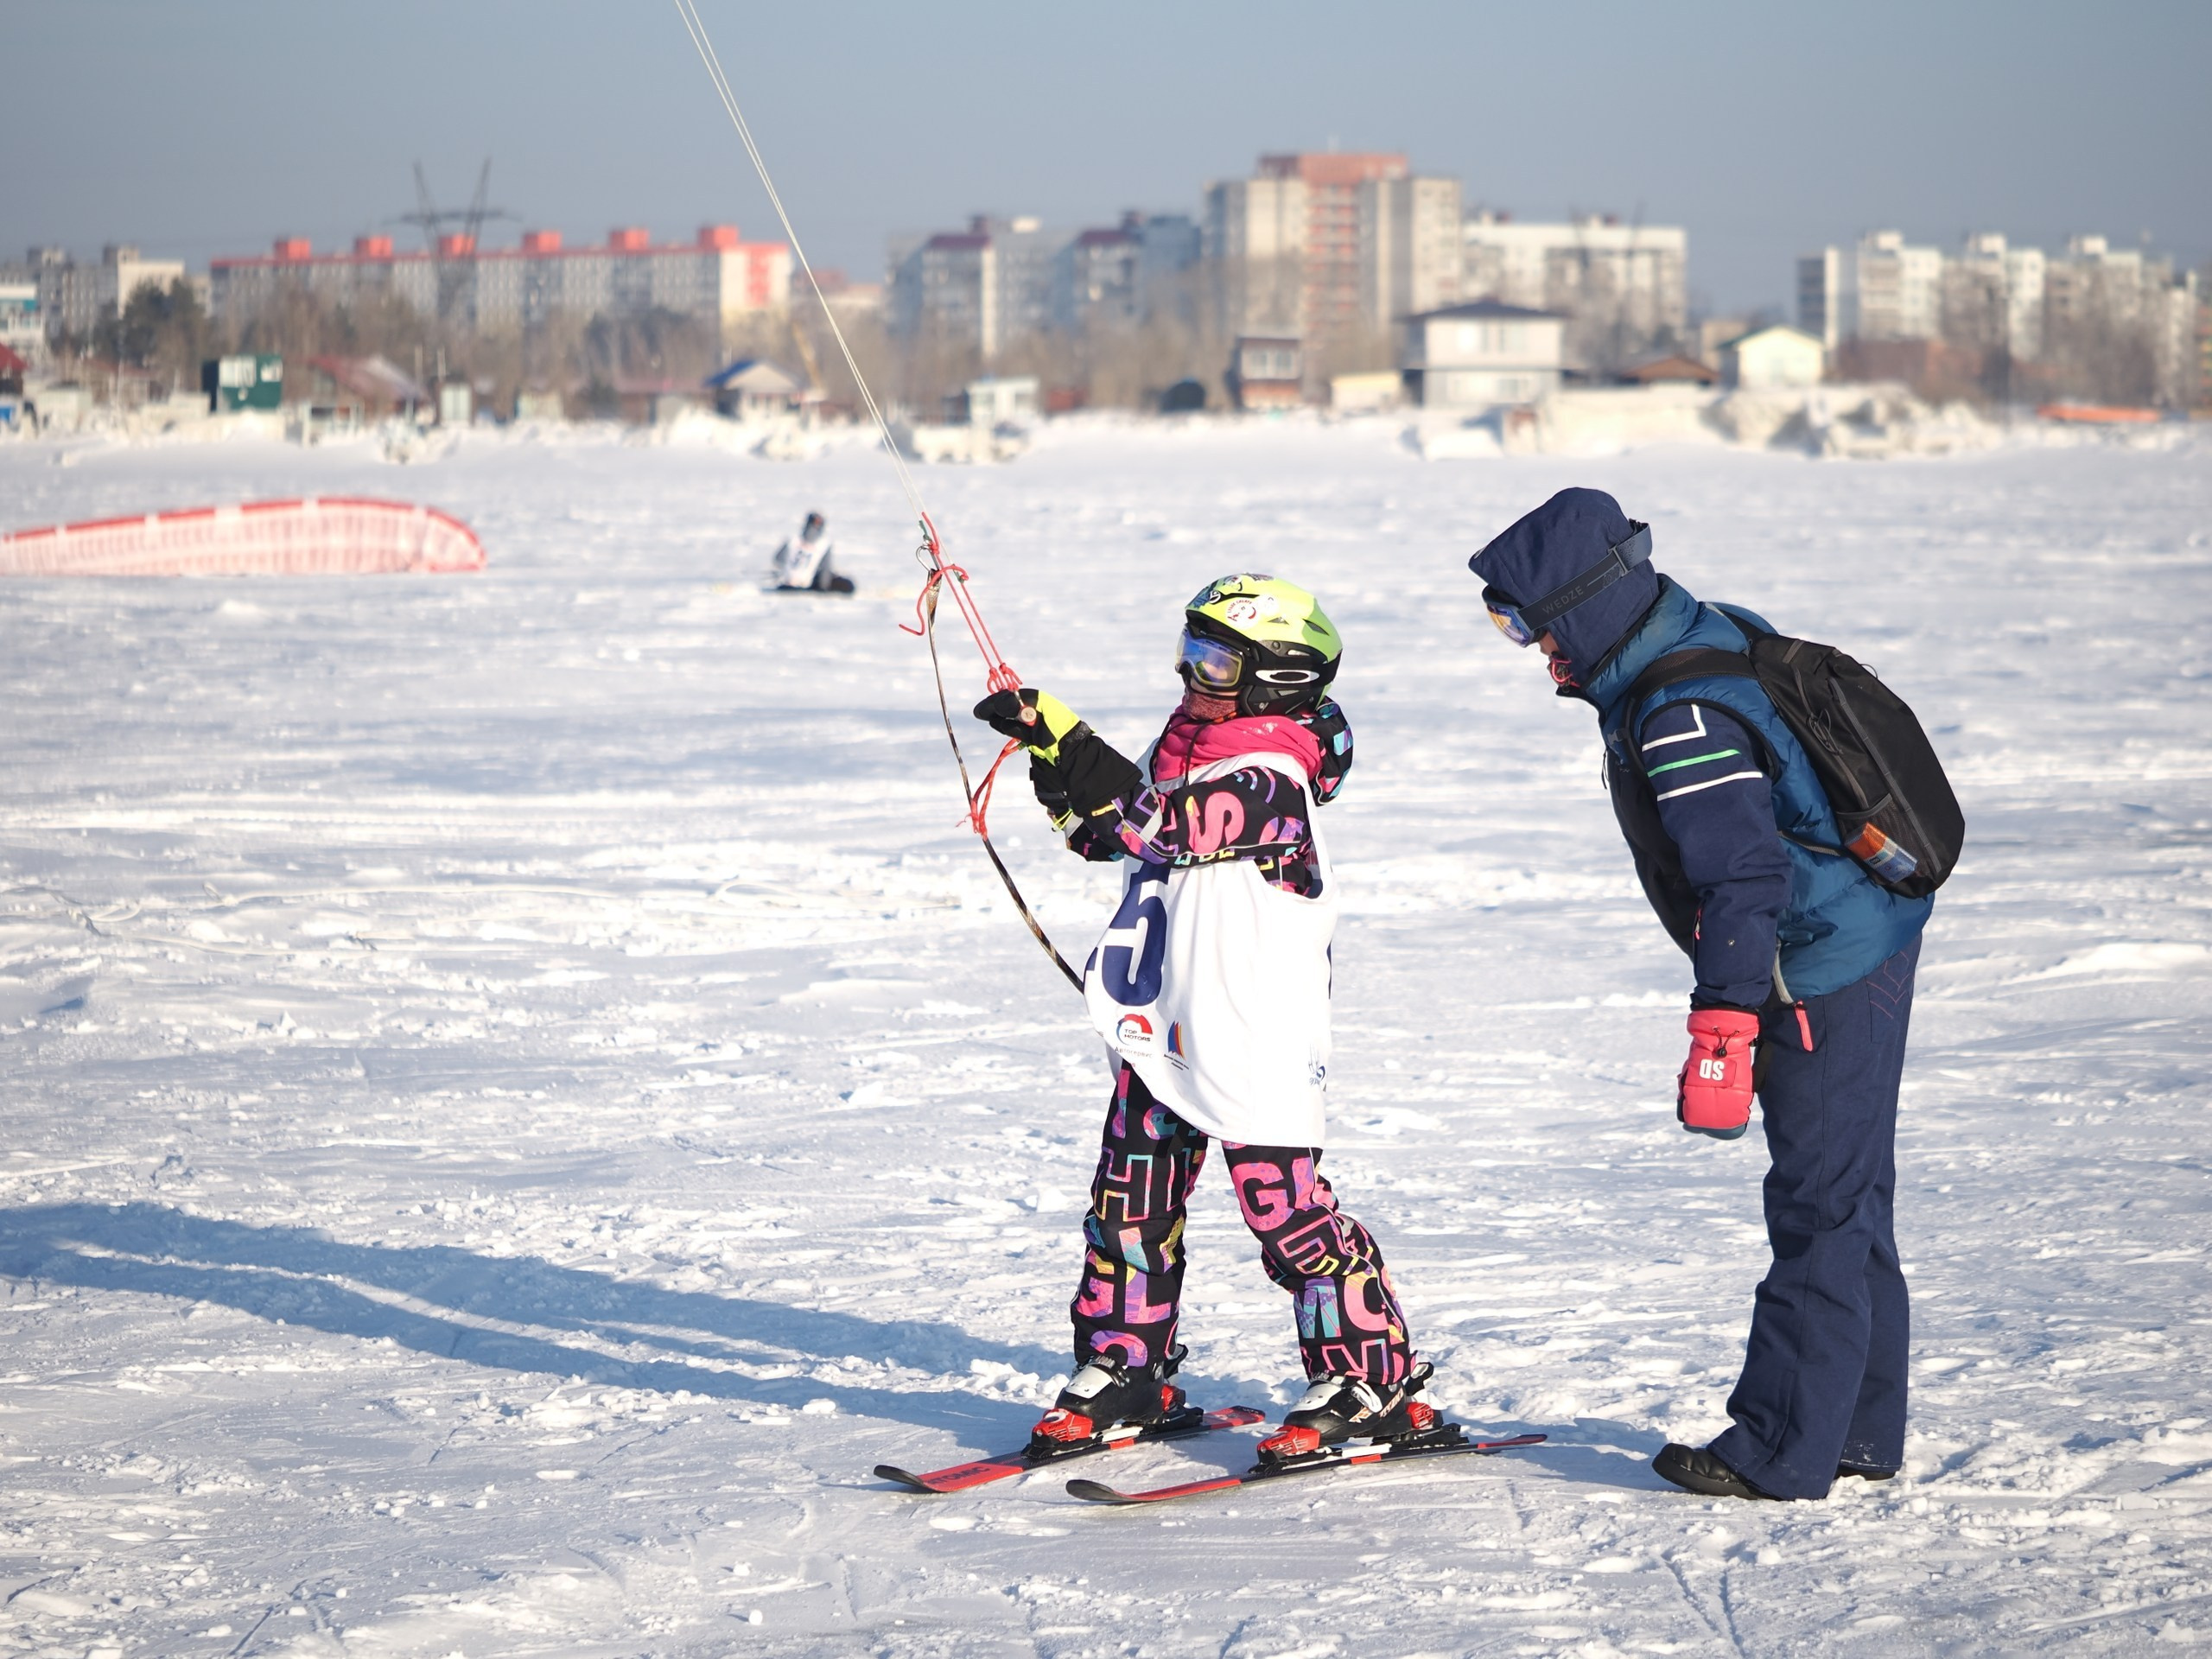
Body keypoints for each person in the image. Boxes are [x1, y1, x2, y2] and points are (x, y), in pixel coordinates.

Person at [1466, 487, 1932, 1503]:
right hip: (1861, 934)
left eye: (1532, 624)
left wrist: (1723, 1022)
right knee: (1849, 1197)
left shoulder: (1678, 718)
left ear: (1588, 606)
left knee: (1817, 1206)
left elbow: (1741, 881)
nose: (1531, 649)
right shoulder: (1698, 629)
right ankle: (1854, 1427)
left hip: (1813, 966)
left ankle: (1779, 1450)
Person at [973, 575, 1438, 1464]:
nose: (1195, 673)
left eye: (1217, 659)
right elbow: (1103, 833)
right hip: (1161, 1026)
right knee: (1128, 1208)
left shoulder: (1272, 775)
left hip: (1254, 1037)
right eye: (1189, 651)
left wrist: (1077, 740)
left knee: (1286, 1216)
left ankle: (1369, 1379)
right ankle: (1125, 1368)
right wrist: (1049, 754)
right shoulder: (1184, 746)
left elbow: (1163, 827)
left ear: (1276, 677)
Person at [767, 511, 854, 594]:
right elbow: (826, 570)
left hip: (785, 584)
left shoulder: (793, 539)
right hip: (804, 586)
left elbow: (778, 559)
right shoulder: (823, 544)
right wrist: (823, 588)